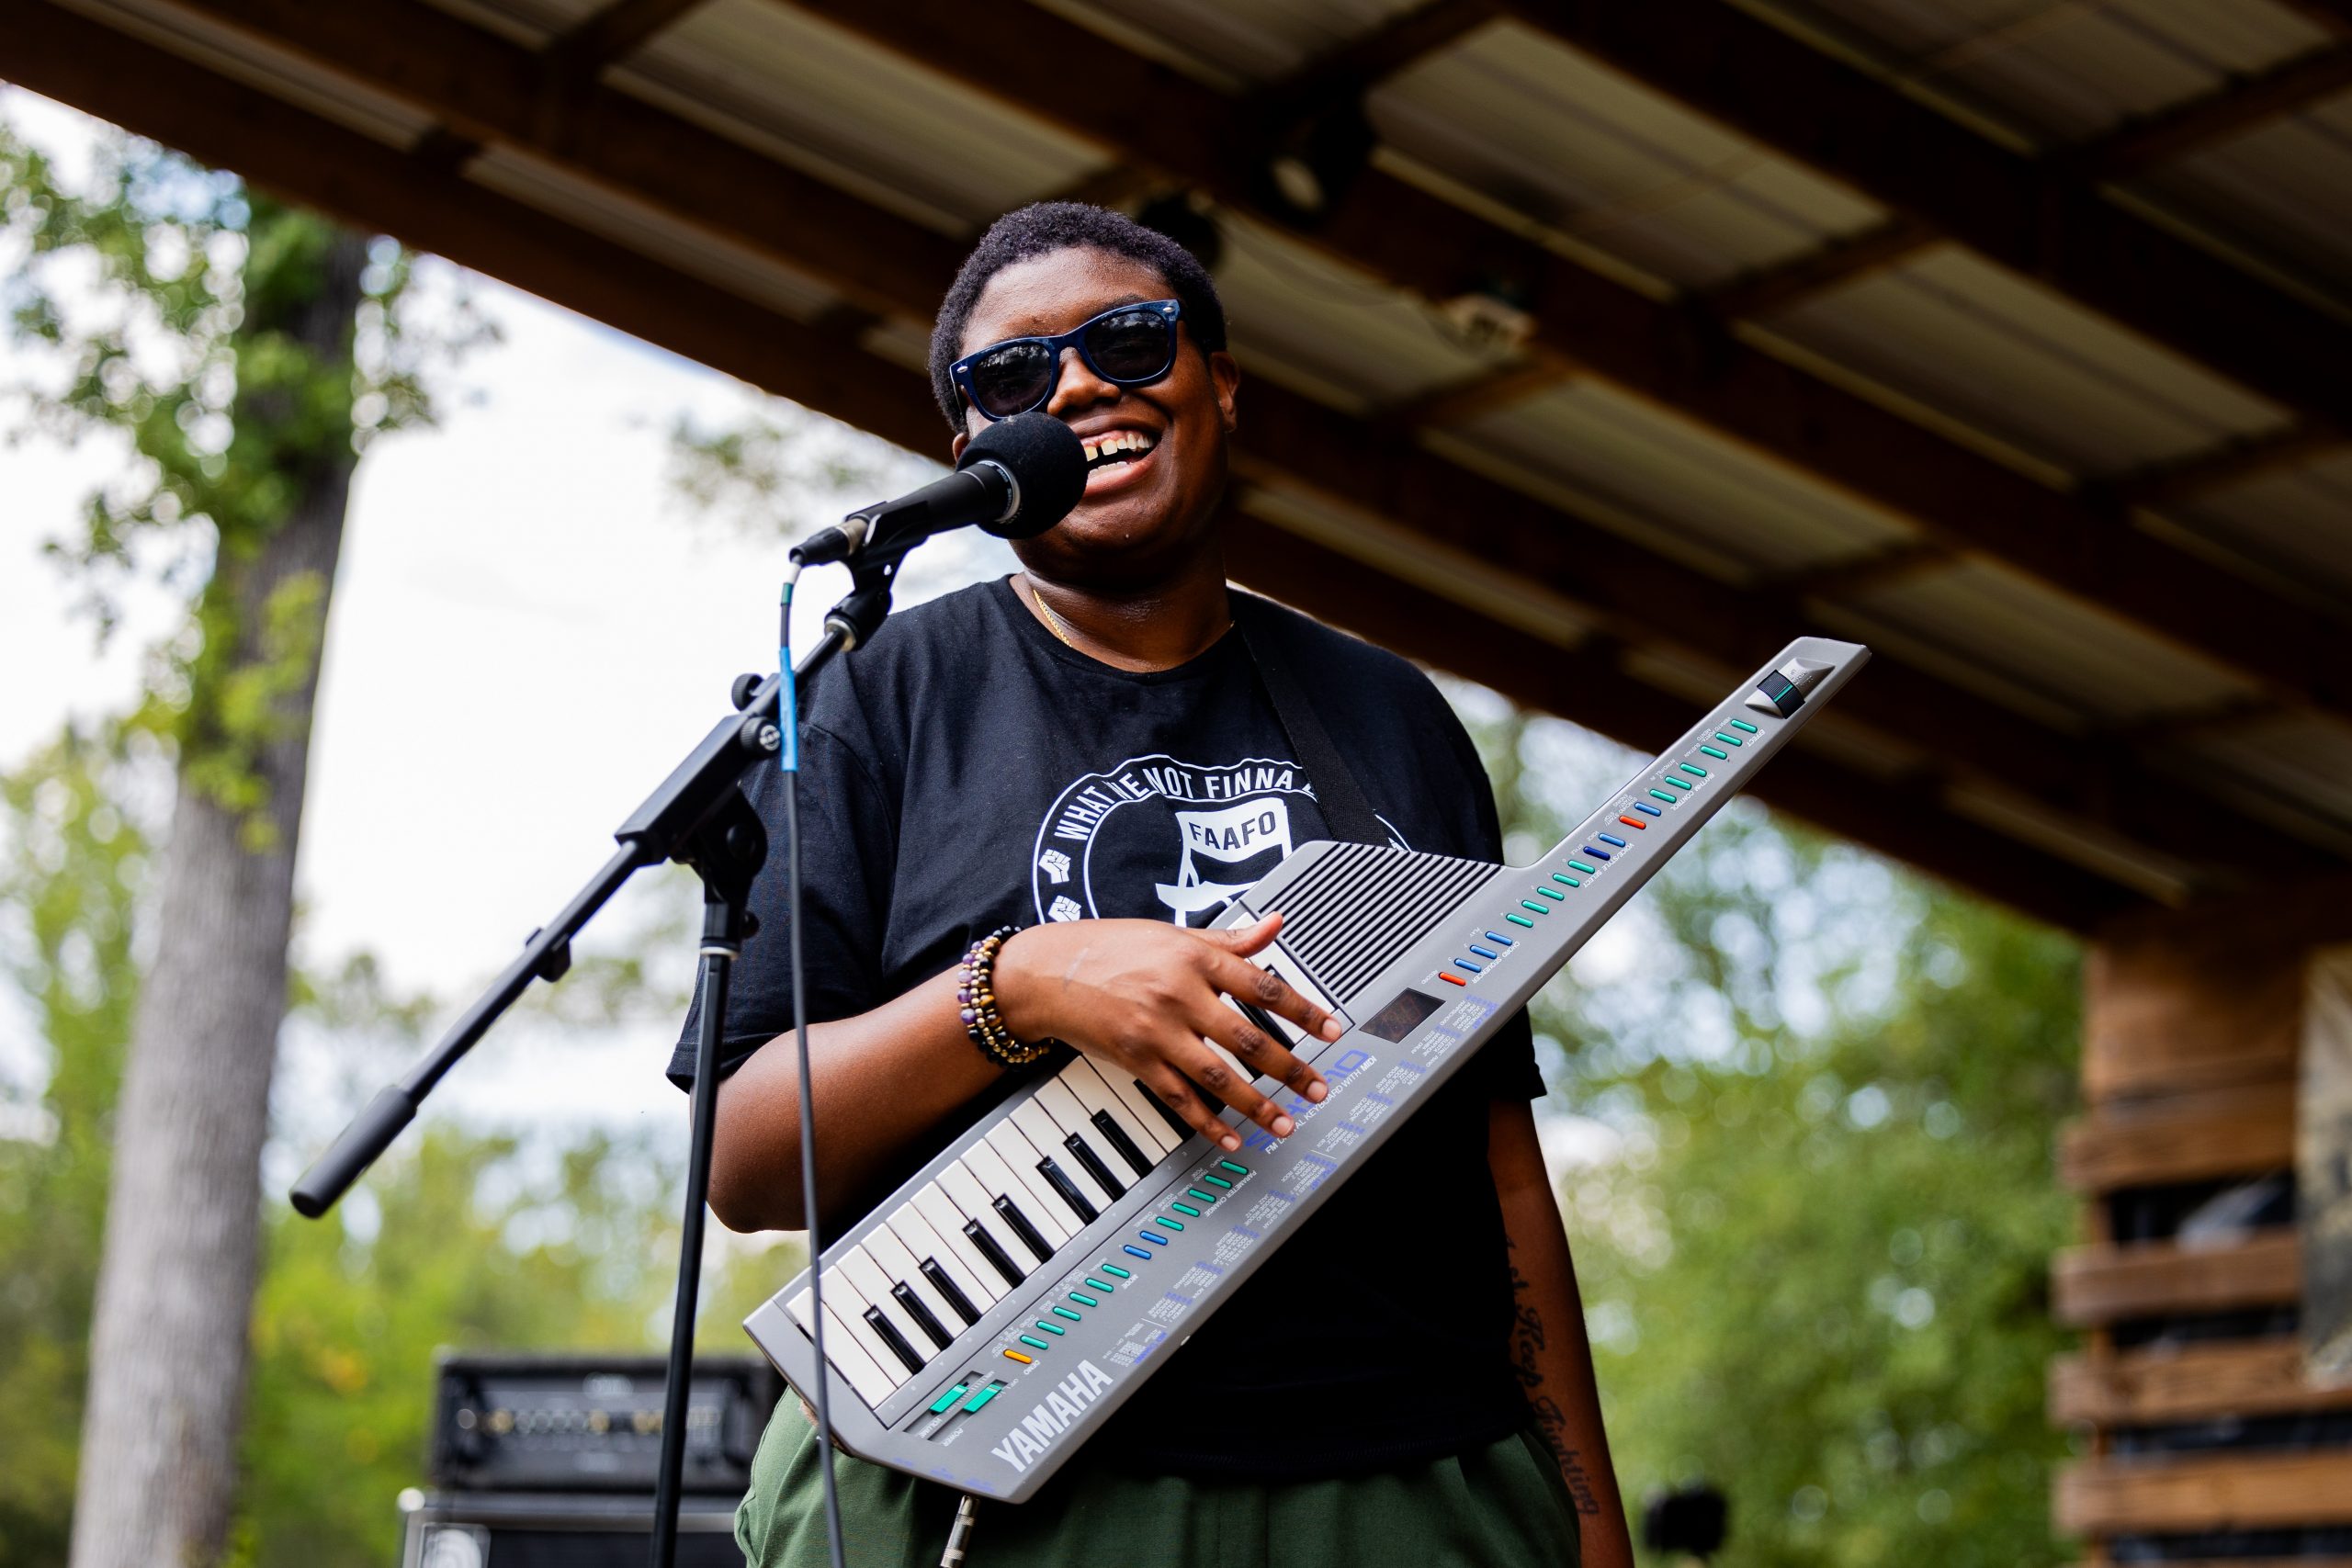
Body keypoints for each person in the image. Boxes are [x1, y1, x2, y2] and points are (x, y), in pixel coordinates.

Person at [674, 201, 1633, 1568]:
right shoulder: (870, 699)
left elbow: (1496, 1160)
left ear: (1219, 384)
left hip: (1408, 1485)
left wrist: (1590, 1529)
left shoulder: (1393, 716)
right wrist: (1021, 986)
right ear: (976, 447)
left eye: (1128, 340)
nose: (1075, 387)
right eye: (1012, 376)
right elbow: (747, 1160)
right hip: (997, 1480)